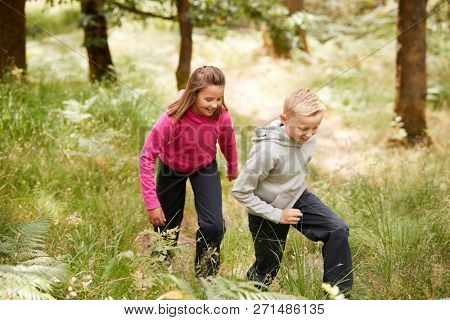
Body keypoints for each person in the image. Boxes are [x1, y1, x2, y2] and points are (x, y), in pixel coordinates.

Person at [232, 88, 353, 295]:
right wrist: (277, 215)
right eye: (303, 128)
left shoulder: (307, 137)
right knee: (268, 268)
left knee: (337, 230)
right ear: (284, 119)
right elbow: (241, 191)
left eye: (315, 128)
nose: (309, 134)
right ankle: (247, 300)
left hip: (297, 198)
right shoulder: (266, 151)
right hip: (266, 211)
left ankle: (338, 297)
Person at [139, 66, 238, 277]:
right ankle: (160, 272)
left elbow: (228, 141)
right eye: (209, 99)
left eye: (219, 98)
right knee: (166, 224)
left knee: (214, 225)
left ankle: (206, 276)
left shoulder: (221, 115)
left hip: (204, 166)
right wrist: (152, 204)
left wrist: (232, 165)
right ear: (194, 94)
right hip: (171, 168)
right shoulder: (172, 118)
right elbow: (147, 157)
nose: (215, 104)